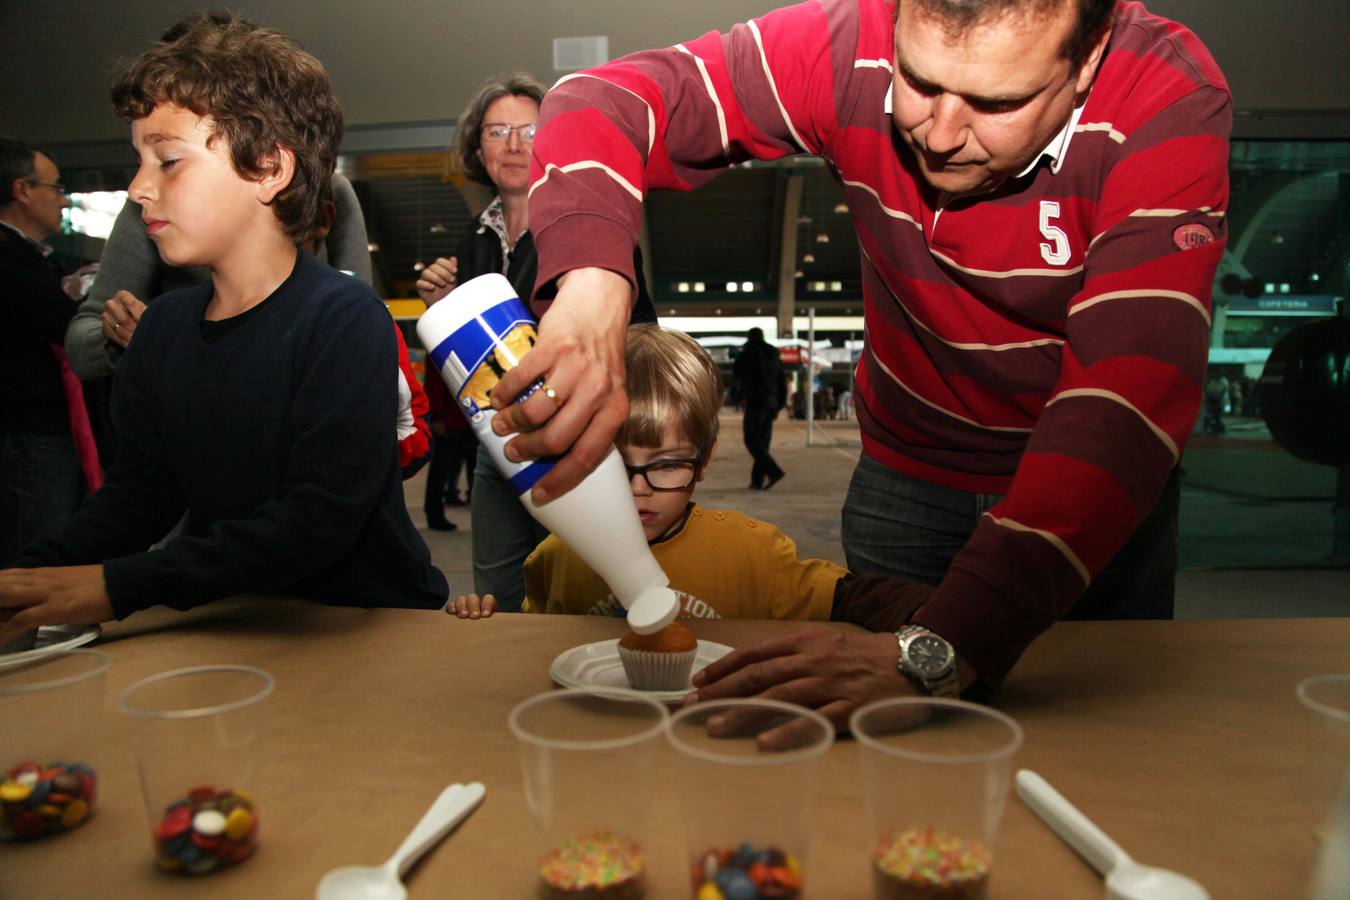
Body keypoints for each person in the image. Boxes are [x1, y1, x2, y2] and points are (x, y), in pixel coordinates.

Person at [486, 0, 1231, 731]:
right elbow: (601, 98)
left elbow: (1124, 402)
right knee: (882, 759)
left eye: (995, 100)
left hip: (1087, 495)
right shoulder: (849, 44)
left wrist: (946, 647)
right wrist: (591, 287)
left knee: (1104, 751)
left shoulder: (1165, 94)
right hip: (907, 478)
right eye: (919, 80)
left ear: (1090, 53)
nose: (939, 136)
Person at [0, 15, 447, 646]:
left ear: (268, 168)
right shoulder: (163, 333)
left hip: (366, 629)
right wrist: (25, 576)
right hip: (233, 621)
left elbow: (316, 520)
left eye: (168, 161)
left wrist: (115, 586)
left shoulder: (344, 319)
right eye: (138, 161)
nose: (137, 189)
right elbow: (137, 500)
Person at [450, 326, 933, 640]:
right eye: (614, 467)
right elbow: (536, 641)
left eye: (665, 465)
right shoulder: (556, 556)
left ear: (704, 462)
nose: (637, 489)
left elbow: (852, 597)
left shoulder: (755, 555)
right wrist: (487, 626)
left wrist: (956, 618)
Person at [413, 72, 657, 611]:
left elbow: (640, 335)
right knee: (500, 593)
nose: (516, 144)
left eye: (530, 129)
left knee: (599, 589)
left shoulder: (588, 225)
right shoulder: (474, 239)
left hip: (580, 435)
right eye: (498, 131)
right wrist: (446, 306)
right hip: (499, 443)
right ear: (478, 147)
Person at [0, 137, 101, 566]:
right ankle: (30, 632)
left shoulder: (28, 255)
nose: (62, 201)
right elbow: (62, 323)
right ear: (22, 191)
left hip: (37, 427)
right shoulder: (7, 256)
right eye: (56, 188)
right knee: (38, 548)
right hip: (28, 428)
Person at [733, 327, 787, 490]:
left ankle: (773, 471)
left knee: (751, 440)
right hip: (772, 402)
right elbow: (782, 381)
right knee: (763, 442)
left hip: (756, 401)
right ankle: (757, 481)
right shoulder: (774, 355)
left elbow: (737, 372)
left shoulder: (749, 352)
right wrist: (780, 404)